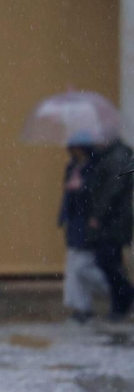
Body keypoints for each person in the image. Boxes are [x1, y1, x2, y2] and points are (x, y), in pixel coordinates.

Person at [77, 133, 134, 321]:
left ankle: (124, 299)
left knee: (107, 262)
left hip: (113, 223)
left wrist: (98, 215)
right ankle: (119, 305)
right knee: (109, 263)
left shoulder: (117, 157)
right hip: (113, 223)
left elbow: (112, 189)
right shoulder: (109, 156)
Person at [59, 135, 108, 322]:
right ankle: (81, 307)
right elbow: (68, 196)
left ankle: (115, 288)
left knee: (82, 265)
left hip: (86, 222)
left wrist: (81, 187)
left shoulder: (94, 167)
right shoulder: (73, 167)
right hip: (74, 222)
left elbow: (97, 193)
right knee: (73, 266)